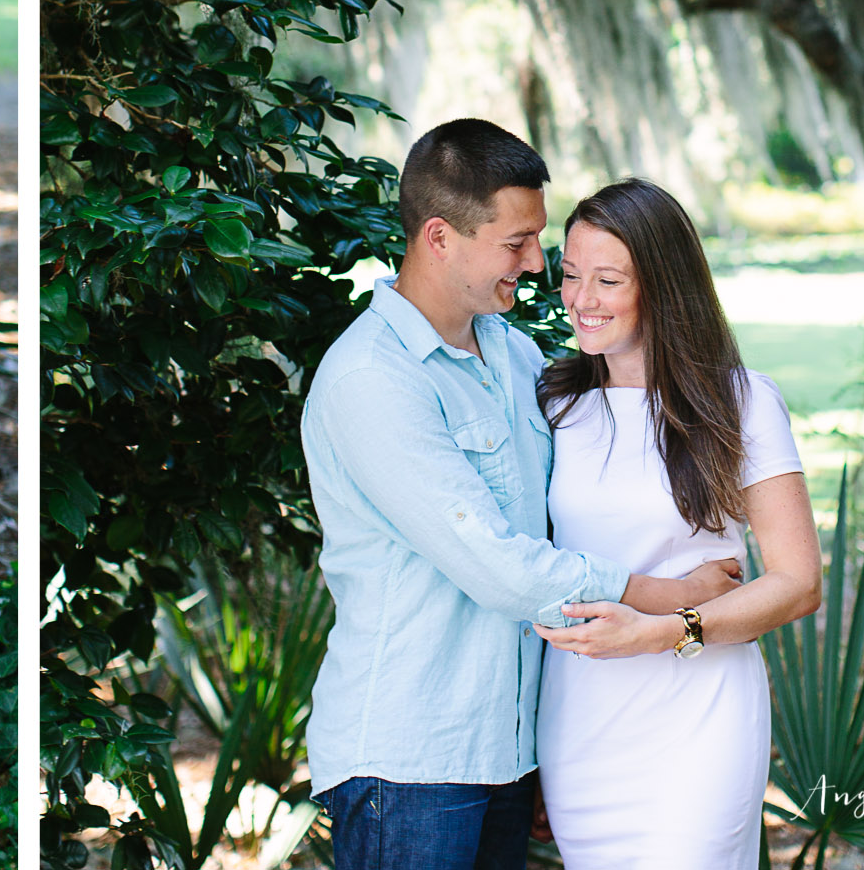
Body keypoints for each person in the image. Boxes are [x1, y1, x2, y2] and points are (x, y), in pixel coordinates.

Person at [301, 119, 743, 870]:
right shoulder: (372, 379)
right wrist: (672, 597)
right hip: (409, 762)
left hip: (503, 752)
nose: (537, 263)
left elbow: (568, 508)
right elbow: (501, 565)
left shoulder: (514, 353)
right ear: (439, 237)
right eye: (516, 242)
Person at [533, 178, 822, 869]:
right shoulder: (552, 405)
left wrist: (664, 629)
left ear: (662, 285)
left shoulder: (742, 402)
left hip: (699, 716)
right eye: (570, 274)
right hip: (579, 717)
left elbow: (798, 580)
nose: (580, 299)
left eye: (607, 279)